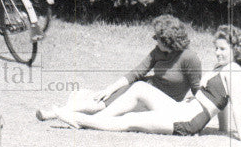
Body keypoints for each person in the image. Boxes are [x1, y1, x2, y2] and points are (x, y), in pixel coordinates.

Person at [38, 25, 241, 138]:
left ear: (237, 50)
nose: (217, 53)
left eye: (223, 49)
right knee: (139, 87)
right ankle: (89, 117)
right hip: (181, 109)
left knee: (130, 121)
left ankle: (77, 118)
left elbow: (237, 105)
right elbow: (223, 101)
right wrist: (222, 129)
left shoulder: (235, 71)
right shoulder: (223, 69)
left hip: (187, 121)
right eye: (216, 48)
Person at [37, 14, 201, 120]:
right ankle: (57, 113)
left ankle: (59, 114)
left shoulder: (189, 57)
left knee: (101, 108)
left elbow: (197, 90)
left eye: (157, 38)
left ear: (168, 40)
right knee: (101, 100)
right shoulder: (159, 51)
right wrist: (110, 89)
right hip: (141, 89)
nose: (154, 40)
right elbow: (135, 73)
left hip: (159, 102)